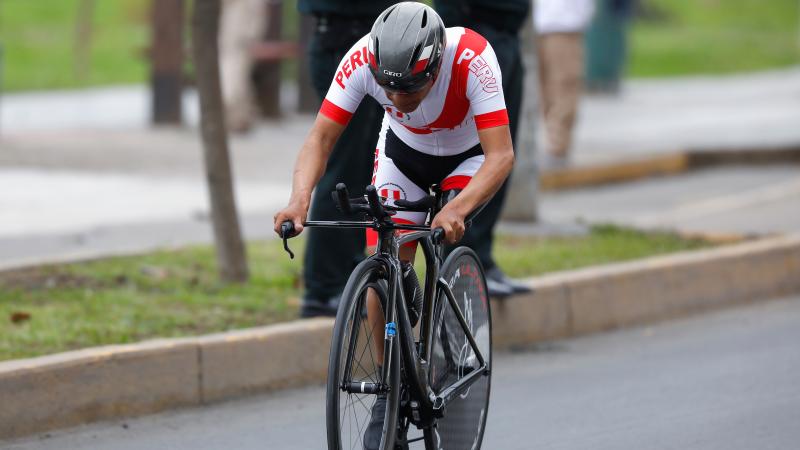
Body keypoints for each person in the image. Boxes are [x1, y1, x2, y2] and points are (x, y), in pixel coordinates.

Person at [273, 3, 514, 448]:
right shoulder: (363, 57)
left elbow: (500, 156)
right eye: (389, 89)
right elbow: (320, 139)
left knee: (445, 231)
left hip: (467, 158)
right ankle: (392, 385)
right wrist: (298, 199)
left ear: (435, 63)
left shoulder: (472, 58)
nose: (399, 99)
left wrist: (457, 209)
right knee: (382, 262)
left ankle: (450, 331)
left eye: (412, 89)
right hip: (404, 156)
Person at [297, 0, 400, 318]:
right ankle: (325, 286)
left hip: (374, 37)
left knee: (362, 167)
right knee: (345, 167)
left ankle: (345, 273)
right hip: (345, 38)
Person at [434, 0, 533, 298]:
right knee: (477, 155)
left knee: (501, 152)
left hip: (508, 34)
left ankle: (482, 259)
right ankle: (461, 258)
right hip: (477, 35)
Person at [535, 0, 595, 164]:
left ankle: (558, 146)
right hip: (536, 24)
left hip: (565, 24)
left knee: (564, 86)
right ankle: (551, 141)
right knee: (542, 88)